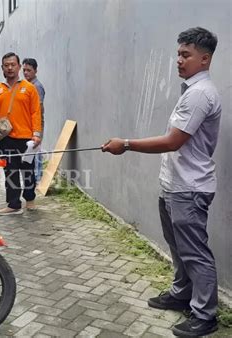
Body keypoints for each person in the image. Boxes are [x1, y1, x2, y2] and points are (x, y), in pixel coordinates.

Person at [102, 27, 220, 337]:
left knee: (194, 252)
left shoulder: (199, 94)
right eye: (178, 53)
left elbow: (173, 141)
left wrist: (125, 144)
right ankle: (183, 293)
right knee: (178, 247)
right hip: (174, 185)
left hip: (189, 189)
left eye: (186, 54)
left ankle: (205, 315)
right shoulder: (191, 90)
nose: (178, 60)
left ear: (204, 59)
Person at [0, 52, 42, 215]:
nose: (9, 68)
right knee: (10, 171)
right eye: (6, 65)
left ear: (18, 67)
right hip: (5, 138)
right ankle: (14, 204)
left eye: (13, 65)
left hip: (26, 138)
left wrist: (36, 134)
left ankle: (30, 199)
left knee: (28, 170)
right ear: (2, 67)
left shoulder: (29, 88)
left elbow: (35, 112)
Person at [22, 58, 45, 182]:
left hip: (36, 123)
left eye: (29, 70)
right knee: (31, 149)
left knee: (36, 149)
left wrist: (36, 126)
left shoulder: (37, 86)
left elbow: (38, 108)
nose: (26, 73)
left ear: (35, 71)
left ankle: (37, 177)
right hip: (28, 122)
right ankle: (33, 176)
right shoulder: (27, 85)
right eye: (24, 70)